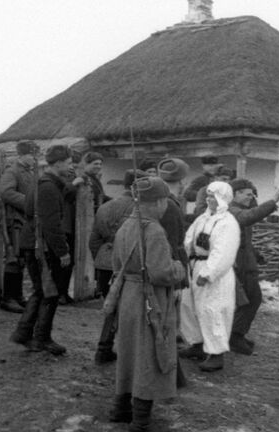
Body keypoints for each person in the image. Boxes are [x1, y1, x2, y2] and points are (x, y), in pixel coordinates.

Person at [108, 176, 186, 432]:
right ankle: (140, 421)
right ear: (159, 201)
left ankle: (121, 409)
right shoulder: (152, 229)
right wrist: (179, 268)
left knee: (128, 353)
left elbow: (117, 266)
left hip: (128, 297)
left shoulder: (125, 227)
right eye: (165, 201)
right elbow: (160, 273)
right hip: (149, 300)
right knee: (149, 356)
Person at [9, 145, 75, 356]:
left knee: (41, 291)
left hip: (34, 243)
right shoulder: (48, 187)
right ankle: (41, 338)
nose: (72, 166)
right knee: (50, 292)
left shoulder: (41, 183)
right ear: (58, 163)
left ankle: (24, 334)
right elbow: (51, 224)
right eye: (69, 162)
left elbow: (29, 211)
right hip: (42, 246)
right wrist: (63, 251)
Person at [178, 182, 240, 372]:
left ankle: (216, 353)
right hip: (194, 265)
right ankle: (196, 343)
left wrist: (208, 273)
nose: (209, 199)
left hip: (213, 272)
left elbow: (223, 252)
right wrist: (184, 259)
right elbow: (189, 239)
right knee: (188, 306)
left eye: (213, 196)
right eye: (208, 195)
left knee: (212, 309)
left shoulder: (227, 223)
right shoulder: (203, 219)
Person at [90, 169, 146, 365]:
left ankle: (104, 347)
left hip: (104, 261)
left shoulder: (105, 207)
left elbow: (94, 240)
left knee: (111, 306)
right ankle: (125, 353)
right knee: (130, 310)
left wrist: (100, 262)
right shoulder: (140, 208)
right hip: (127, 263)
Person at [228, 178, 279, 354]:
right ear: (236, 194)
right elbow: (248, 218)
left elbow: (245, 239)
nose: (250, 198)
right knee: (250, 299)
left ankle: (237, 334)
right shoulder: (232, 210)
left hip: (247, 260)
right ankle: (235, 337)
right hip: (239, 262)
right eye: (247, 194)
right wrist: (273, 200)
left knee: (251, 299)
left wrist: (257, 255)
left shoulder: (239, 209)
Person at [0, 140, 40, 313]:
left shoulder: (31, 173)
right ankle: (8, 299)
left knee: (22, 258)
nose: (35, 159)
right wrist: (28, 203)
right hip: (14, 220)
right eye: (32, 155)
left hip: (26, 221)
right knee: (13, 258)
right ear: (22, 155)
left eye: (36, 155)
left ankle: (18, 296)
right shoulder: (12, 171)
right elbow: (6, 192)